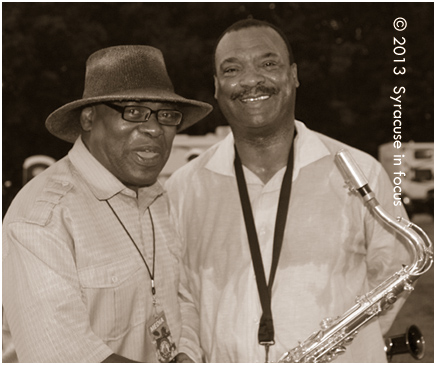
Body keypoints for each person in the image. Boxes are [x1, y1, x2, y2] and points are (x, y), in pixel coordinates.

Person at [165, 19, 412, 363]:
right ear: (217, 85)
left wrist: (340, 347)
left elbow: (395, 277)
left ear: (293, 75)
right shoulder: (183, 187)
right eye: (232, 69)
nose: (251, 80)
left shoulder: (360, 172)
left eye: (268, 64)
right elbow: (181, 296)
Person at [2, 45, 212, 363]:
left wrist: (187, 354)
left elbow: (182, 297)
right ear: (89, 118)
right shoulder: (41, 219)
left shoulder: (158, 199)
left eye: (167, 115)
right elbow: (63, 355)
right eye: (134, 111)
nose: (155, 128)